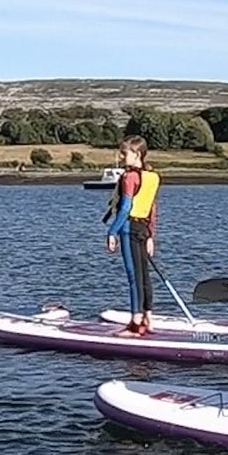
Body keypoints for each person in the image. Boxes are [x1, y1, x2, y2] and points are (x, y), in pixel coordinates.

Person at [104, 136, 160, 336]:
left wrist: (112, 232)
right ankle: (148, 318)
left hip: (129, 228)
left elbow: (126, 207)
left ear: (137, 154)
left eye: (124, 153)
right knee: (144, 275)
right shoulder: (152, 176)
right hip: (144, 229)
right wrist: (151, 235)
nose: (121, 156)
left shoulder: (130, 177)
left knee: (133, 277)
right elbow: (152, 208)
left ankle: (135, 324)